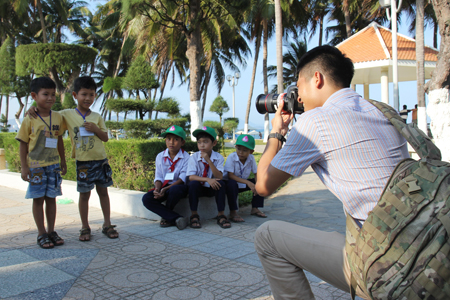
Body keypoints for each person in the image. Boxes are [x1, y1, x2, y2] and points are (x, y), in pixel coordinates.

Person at [254, 45, 409, 299]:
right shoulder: (383, 111)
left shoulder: (315, 123)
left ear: (317, 79)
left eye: (299, 87)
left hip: (387, 268)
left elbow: (262, 185)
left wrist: (277, 132)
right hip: (427, 243)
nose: (299, 99)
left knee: (267, 237)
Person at [28, 76, 119, 241]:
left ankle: (107, 224)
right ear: (75, 95)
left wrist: (95, 129)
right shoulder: (66, 114)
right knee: (84, 195)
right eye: (84, 94)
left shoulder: (97, 116)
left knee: (103, 192)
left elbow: (105, 137)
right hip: (83, 163)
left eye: (92, 95)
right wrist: (32, 108)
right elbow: (48, 115)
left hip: (100, 161)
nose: (88, 98)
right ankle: (85, 227)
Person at [16, 77, 67, 249]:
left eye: (53, 94)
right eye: (45, 94)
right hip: (36, 166)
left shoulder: (58, 116)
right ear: (34, 95)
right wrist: (24, 167)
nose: (50, 98)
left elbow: (59, 140)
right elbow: (23, 144)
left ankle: (51, 231)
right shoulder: (29, 118)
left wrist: (63, 161)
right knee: (38, 199)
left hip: (53, 166)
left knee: (51, 198)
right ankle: (41, 233)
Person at [142, 125, 190, 230]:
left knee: (174, 190)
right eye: (168, 139)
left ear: (183, 142)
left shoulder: (186, 157)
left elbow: (182, 179)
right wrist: (157, 189)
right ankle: (176, 218)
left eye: (176, 139)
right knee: (147, 199)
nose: (171, 142)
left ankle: (166, 217)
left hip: (179, 186)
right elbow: (158, 176)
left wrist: (166, 189)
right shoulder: (160, 156)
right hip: (164, 186)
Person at [186, 126, 229, 229]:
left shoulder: (218, 157)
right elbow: (191, 177)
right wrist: (207, 179)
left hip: (212, 188)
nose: (202, 145)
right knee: (193, 184)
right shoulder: (194, 157)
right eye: (199, 142)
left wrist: (209, 161)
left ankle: (221, 215)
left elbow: (219, 176)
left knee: (221, 183)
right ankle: (194, 215)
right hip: (199, 188)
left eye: (205, 142)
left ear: (213, 143)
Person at [224, 134, 266, 222]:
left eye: (245, 150)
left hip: (242, 183)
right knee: (232, 183)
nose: (240, 152)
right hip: (229, 184)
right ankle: (233, 212)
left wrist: (257, 184)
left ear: (251, 151)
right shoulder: (232, 157)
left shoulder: (251, 158)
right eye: (238, 149)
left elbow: (256, 173)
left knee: (260, 182)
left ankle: (255, 208)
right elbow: (230, 175)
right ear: (235, 147)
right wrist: (247, 182)